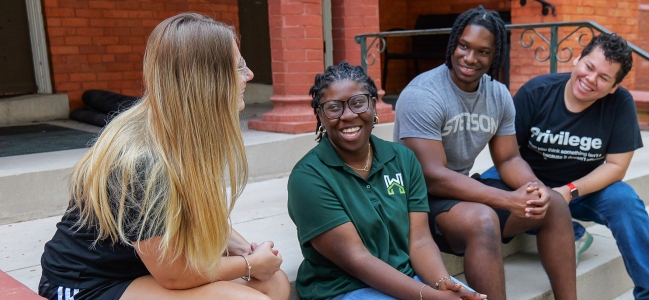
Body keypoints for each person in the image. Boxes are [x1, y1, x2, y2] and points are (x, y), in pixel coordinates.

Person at [38, 13, 290, 300]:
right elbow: (174, 275)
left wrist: (244, 250)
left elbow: (194, 214)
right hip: (86, 283)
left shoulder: (187, 133)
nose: (250, 75)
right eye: (239, 67)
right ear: (206, 80)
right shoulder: (142, 160)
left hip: (144, 267)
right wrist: (249, 264)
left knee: (275, 283)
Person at [393, 6, 577, 300]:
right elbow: (432, 177)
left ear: (495, 56)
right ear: (454, 43)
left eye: (482, 51)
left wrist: (534, 190)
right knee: (482, 219)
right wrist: (507, 199)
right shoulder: (423, 94)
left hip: (459, 193)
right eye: (464, 46)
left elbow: (508, 158)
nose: (469, 58)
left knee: (553, 203)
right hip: (415, 202)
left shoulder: (498, 94)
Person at [483, 33, 649, 300]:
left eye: (604, 78)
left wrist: (568, 192)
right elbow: (507, 155)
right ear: (578, 59)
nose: (590, 80)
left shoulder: (620, 104)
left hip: (583, 191)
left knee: (626, 202)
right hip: (528, 182)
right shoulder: (536, 91)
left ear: (612, 87)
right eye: (589, 67)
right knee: (485, 192)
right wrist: (539, 192)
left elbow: (616, 167)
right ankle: (571, 231)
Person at [287, 62, 486, 300]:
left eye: (358, 102)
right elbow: (357, 259)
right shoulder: (308, 177)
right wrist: (430, 297)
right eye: (333, 107)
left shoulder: (402, 158)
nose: (348, 115)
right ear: (320, 115)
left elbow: (420, 240)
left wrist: (442, 283)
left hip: (409, 277)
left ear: (373, 105)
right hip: (345, 289)